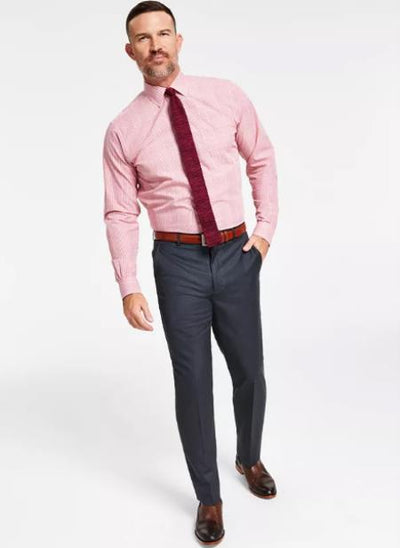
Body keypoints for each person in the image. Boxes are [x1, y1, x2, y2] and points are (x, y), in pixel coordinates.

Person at [102, 1, 279, 544]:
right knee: (193, 382)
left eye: (163, 33)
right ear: (130, 51)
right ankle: (209, 496)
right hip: (177, 263)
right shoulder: (123, 130)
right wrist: (128, 285)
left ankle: (249, 457)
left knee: (250, 370)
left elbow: (261, 158)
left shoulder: (225, 96)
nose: (155, 44)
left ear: (179, 41)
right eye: (143, 38)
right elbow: (120, 211)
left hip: (236, 253)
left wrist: (264, 232)